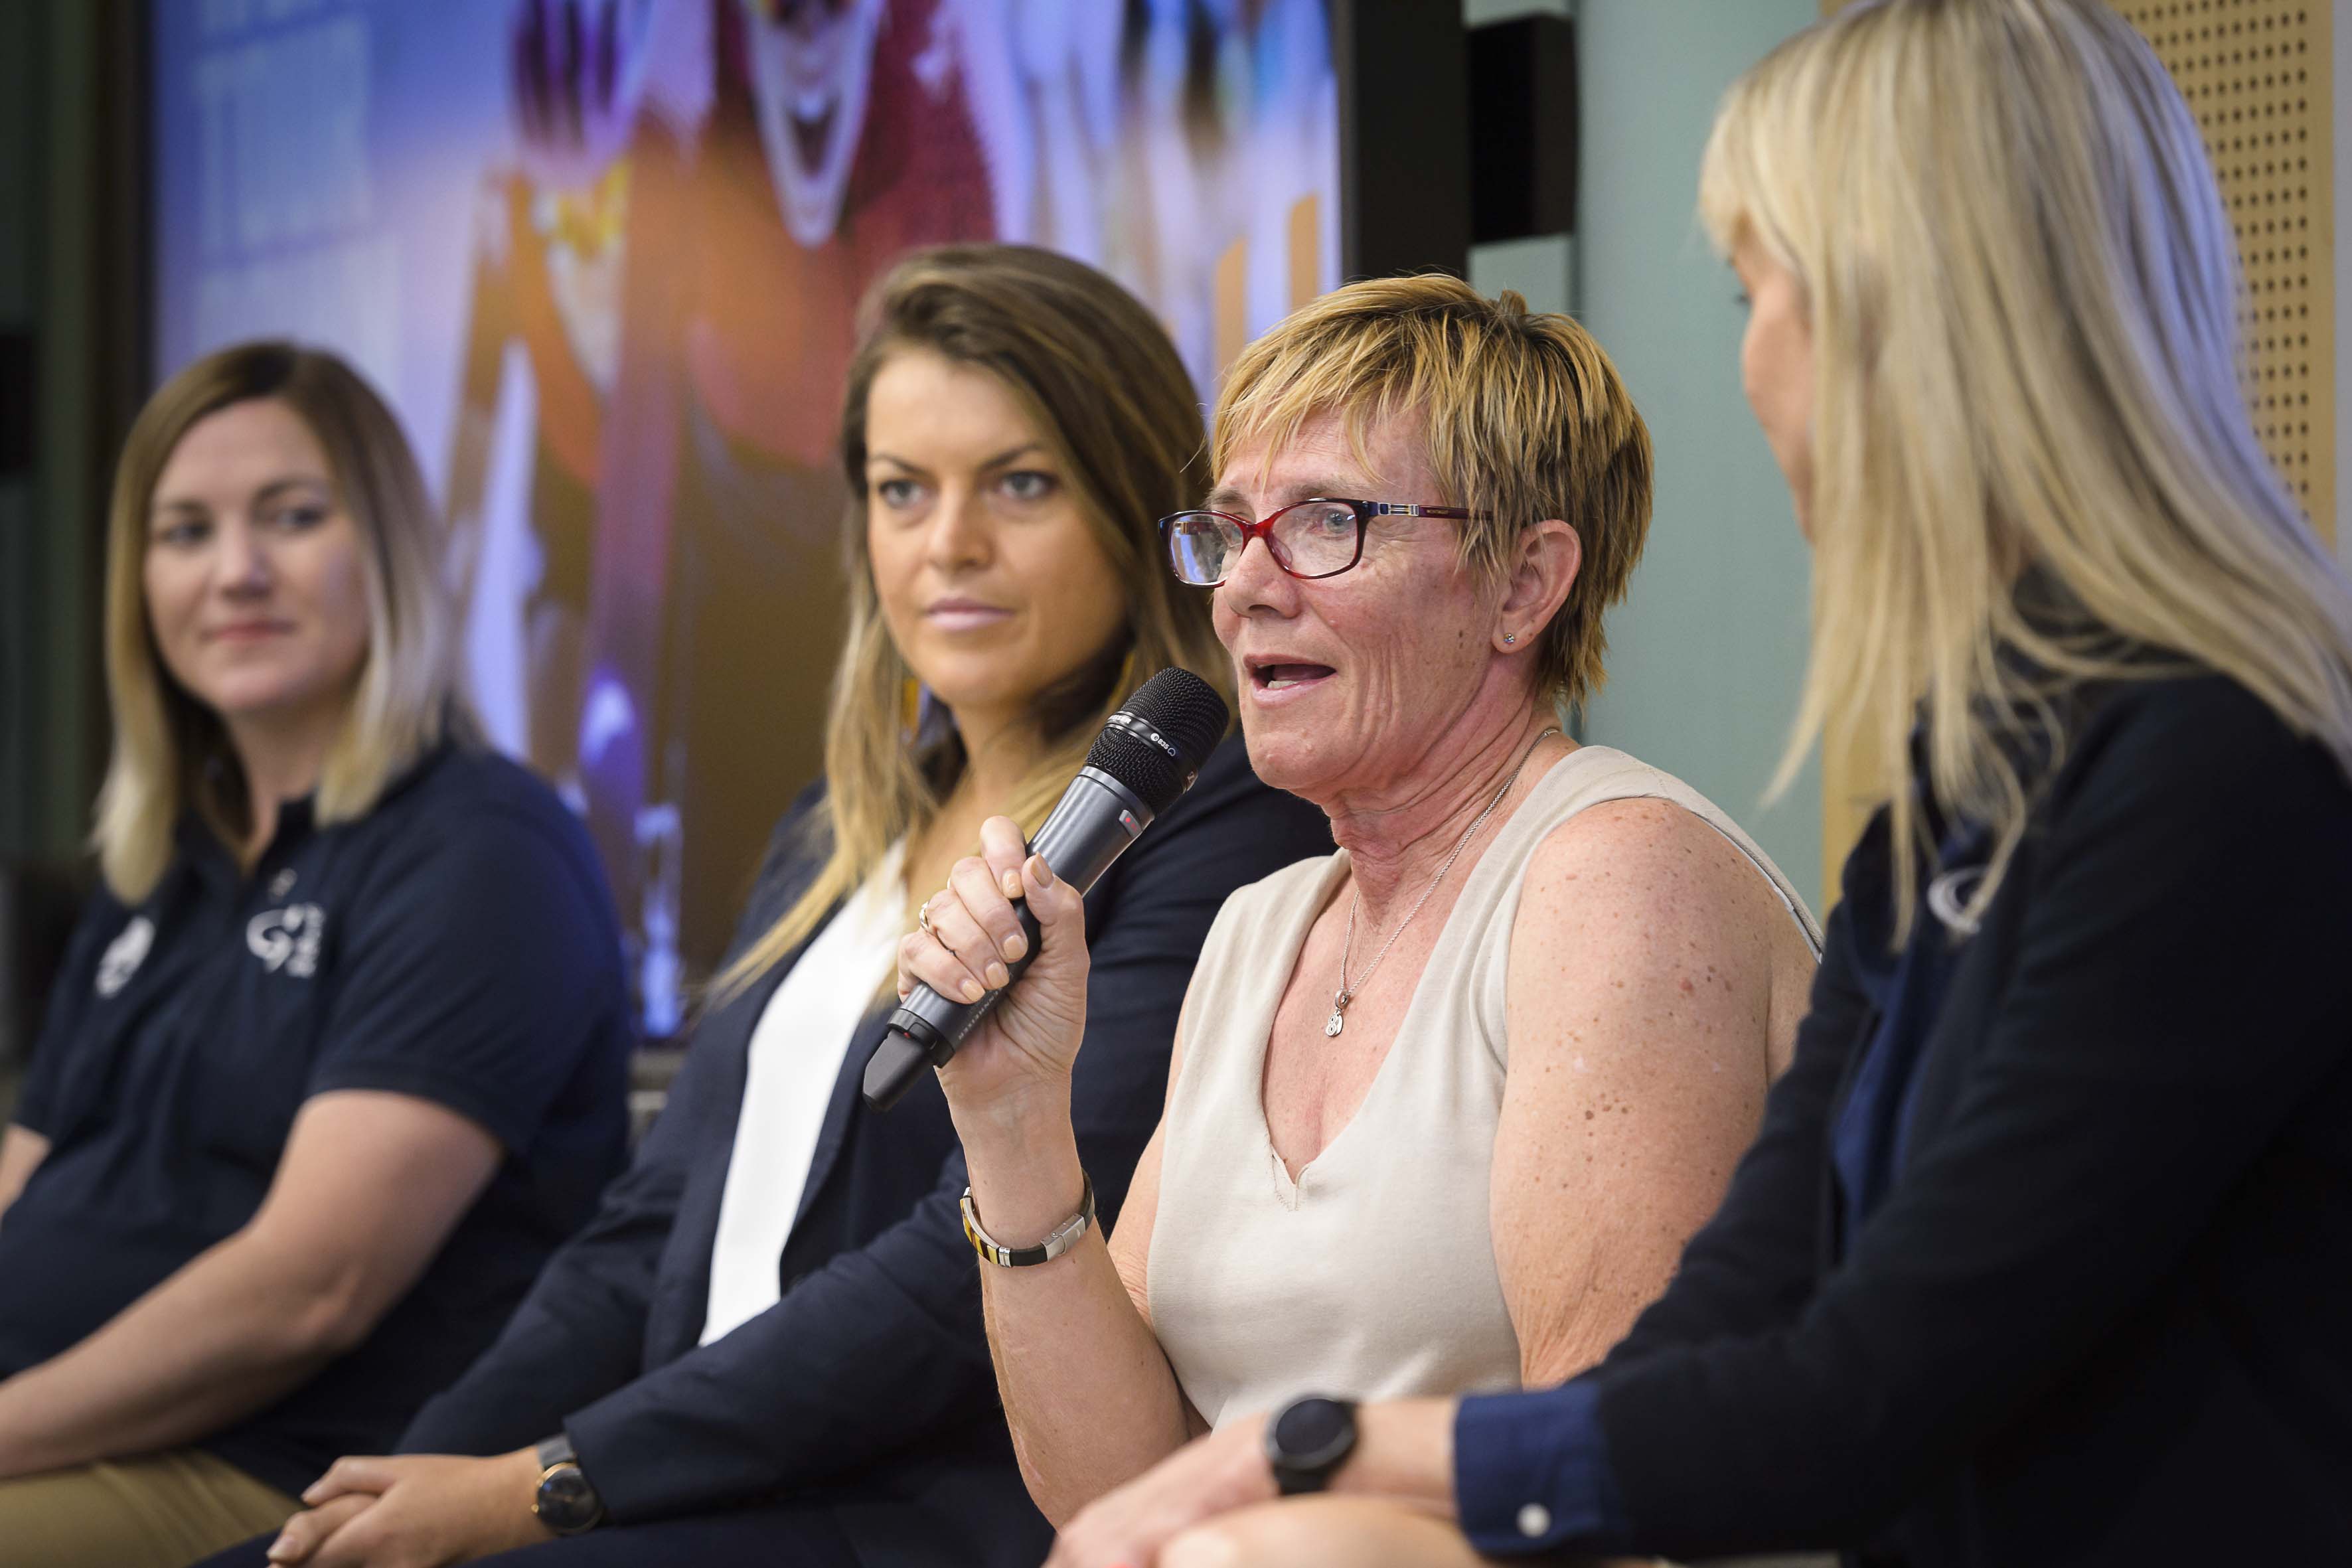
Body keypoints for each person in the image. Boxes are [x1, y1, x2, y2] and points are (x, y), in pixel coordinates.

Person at [1044, 3, 2352, 1565]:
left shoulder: (2212, 774)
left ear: (1906, 318)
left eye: (1755, 291)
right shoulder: (1964, 792)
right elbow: (1738, 1309)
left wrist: (1297, 1465)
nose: (1748, 368)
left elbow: (1862, 1391)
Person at [214, 244, 1332, 1568]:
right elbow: (647, 1228)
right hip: (682, 1492)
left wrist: (548, 1483)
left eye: (1020, 483)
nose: (948, 544)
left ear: (1132, 505)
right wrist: (423, 1473)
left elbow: (952, 1273)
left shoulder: (1213, 829)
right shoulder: (833, 831)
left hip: (903, 1517)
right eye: (901, 489)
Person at [899, 271, 1826, 1545]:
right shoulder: (1259, 928)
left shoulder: (1620, 881)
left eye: (1327, 522)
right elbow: (1114, 1492)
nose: (1245, 589)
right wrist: (1011, 1122)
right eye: (1231, 531)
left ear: (1524, 584)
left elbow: (1605, 1491)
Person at [0, 343, 633, 1568]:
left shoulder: (481, 848)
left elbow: (308, 1290)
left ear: (387, 551)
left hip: (277, 1475)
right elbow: (25, 1180)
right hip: (56, 1432)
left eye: (291, 517)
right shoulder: (160, 865)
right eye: (186, 532)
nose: (236, 570)